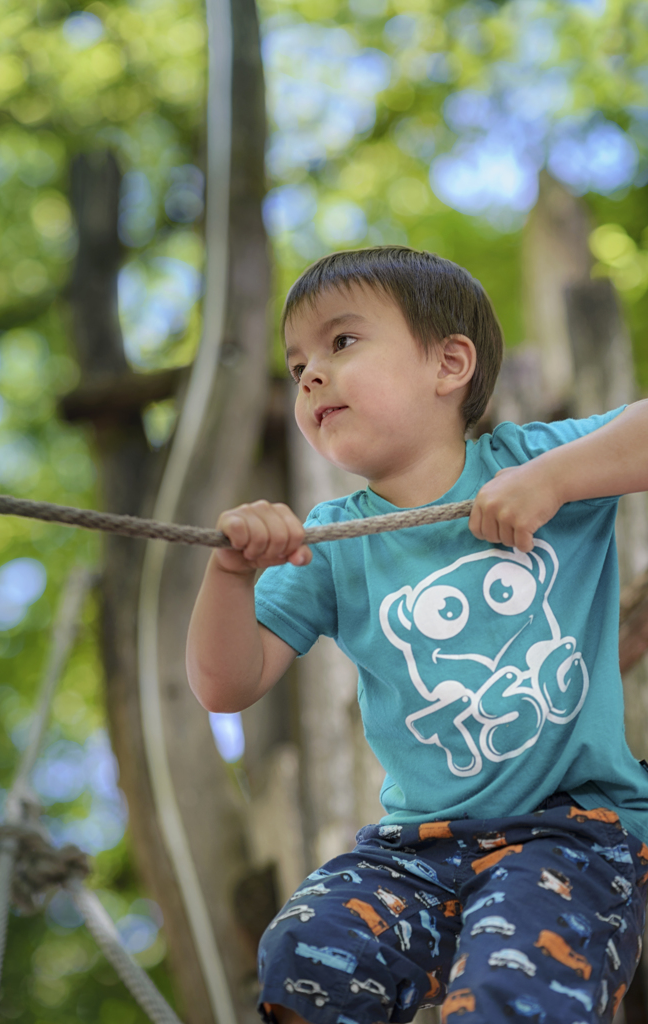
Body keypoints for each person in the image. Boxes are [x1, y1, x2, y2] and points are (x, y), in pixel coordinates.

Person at [186, 246, 648, 1024]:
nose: (308, 374)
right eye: (296, 361)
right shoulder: (331, 540)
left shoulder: (534, 464)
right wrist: (230, 577)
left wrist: (557, 480)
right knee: (304, 952)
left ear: (449, 364)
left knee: (513, 981)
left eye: (341, 342)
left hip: (573, 830)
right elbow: (225, 685)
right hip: (414, 847)